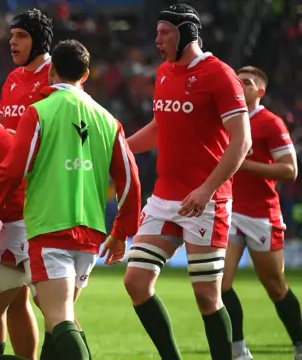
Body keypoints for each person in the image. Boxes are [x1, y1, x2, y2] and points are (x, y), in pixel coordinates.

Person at [0, 39, 141, 360]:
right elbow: (130, 181)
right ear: (86, 74)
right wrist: (122, 232)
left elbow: (15, 169)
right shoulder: (107, 119)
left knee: (59, 318)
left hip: (49, 229)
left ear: (51, 70)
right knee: (59, 316)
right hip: (91, 233)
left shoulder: (39, 112)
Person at [124, 4, 252, 360]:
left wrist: (207, 189)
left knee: (206, 297)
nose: (157, 40)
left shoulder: (221, 75)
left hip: (207, 200)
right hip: (165, 197)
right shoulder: (164, 72)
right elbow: (160, 127)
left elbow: (242, 142)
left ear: (186, 34)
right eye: (156, 32)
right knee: (135, 283)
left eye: (164, 32)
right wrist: (119, 150)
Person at [221, 66, 300, 360]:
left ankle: (299, 343)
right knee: (220, 283)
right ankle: (239, 350)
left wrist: (246, 164)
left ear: (260, 91)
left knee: (276, 287)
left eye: (247, 82)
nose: (240, 85)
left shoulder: (271, 123)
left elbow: (290, 170)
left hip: (262, 215)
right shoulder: (225, 119)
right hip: (229, 211)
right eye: (237, 81)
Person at [0, 8, 53, 358]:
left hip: (38, 209)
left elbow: (48, 139)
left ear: (39, 39)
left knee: (51, 305)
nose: (12, 42)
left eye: (21, 36)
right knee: (10, 300)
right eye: (11, 36)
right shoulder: (13, 78)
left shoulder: (55, 78)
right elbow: (0, 125)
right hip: (13, 207)